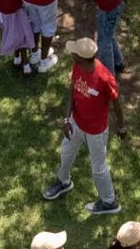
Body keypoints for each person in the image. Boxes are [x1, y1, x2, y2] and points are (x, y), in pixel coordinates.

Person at [42, 38, 126, 215]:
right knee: (66, 152)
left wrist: (121, 127)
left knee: (98, 168)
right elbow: (72, 92)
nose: (71, 54)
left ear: (81, 58)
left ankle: (109, 201)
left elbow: (117, 104)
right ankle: (63, 182)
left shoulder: (105, 78)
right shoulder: (77, 67)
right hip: (75, 123)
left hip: (96, 131)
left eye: (74, 53)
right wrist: (66, 120)